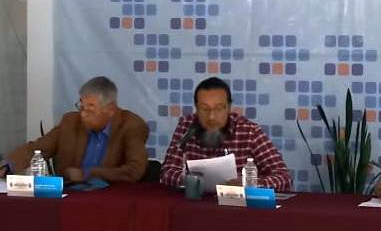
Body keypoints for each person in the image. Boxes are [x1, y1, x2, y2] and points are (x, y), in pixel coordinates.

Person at [0, 76, 149, 183]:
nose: (83, 114)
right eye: (81, 107)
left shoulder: (131, 125)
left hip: (112, 198)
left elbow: (134, 170)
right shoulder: (70, 122)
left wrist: (88, 173)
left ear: (110, 109)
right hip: (70, 196)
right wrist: (8, 165)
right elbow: (37, 149)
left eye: (90, 109)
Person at [160, 77, 292, 192]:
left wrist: (250, 184)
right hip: (195, 202)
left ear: (228, 107)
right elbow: (167, 171)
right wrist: (193, 180)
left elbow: (284, 177)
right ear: (196, 107)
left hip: (238, 206)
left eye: (218, 108)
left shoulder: (249, 131)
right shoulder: (186, 126)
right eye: (204, 108)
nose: (211, 117)